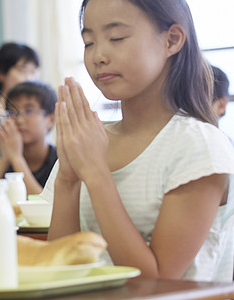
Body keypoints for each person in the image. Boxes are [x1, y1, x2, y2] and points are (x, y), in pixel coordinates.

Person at [42, 0, 234, 282]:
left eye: (116, 38)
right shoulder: (90, 140)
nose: (98, 56)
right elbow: (59, 271)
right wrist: (67, 180)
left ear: (172, 40)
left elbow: (154, 282)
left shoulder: (198, 145)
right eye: (89, 42)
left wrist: (96, 173)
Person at [0, 42, 40, 161]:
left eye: (33, 72)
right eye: (22, 71)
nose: (29, 78)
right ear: (0, 73)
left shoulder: (38, 113)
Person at [0, 81, 58, 194]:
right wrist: (5, 158)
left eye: (28, 111)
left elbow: (44, 205)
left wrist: (16, 158)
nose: (19, 120)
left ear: (51, 119)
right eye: (12, 112)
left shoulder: (60, 161)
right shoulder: (7, 161)